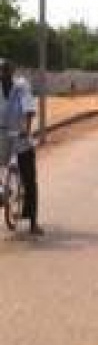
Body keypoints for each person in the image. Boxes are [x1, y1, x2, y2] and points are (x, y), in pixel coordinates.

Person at [0, 59, 43, 236]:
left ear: (12, 71)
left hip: (20, 135)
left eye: (5, 70)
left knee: (29, 179)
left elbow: (29, 108)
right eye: (0, 71)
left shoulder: (21, 86)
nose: (2, 74)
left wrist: (26, 128)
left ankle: (33, 221)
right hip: (1, 134)